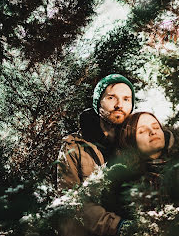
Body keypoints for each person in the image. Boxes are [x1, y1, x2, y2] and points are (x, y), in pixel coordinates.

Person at [56, 74, 135, 236]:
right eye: (112, 97)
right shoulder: (74, 146)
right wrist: (119, 227)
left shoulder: (137, 141)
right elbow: (72, 201)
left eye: (127, 99)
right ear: (98, 102)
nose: (120, 105)